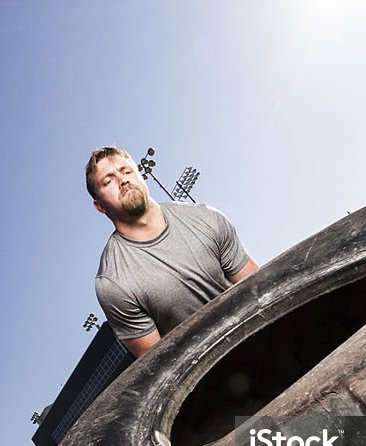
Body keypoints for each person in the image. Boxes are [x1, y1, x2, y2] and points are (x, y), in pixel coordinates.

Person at [86, 146, 259, 357]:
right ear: (100, 206)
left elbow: (258, 287)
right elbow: (158, 364)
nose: (123, 180)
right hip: (208, 377)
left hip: (258, 337)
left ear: (140, 175)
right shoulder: (113, 283)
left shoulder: (205, 218)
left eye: (127, 171)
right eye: (109, 181)